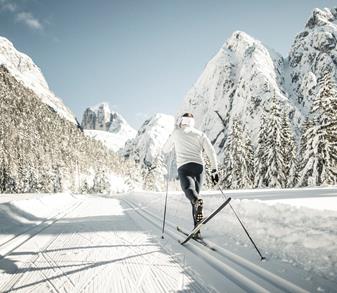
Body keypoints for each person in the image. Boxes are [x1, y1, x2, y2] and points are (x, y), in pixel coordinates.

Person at [163, 113, 219, 239]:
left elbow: (165, 149)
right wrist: (214, 170)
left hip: (184, 167)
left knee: (190, 191)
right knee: (196, 197)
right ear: (192, 122)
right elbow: (211, 151)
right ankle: (197, 229)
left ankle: (196, 206)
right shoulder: (200, 134)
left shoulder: (176, 132)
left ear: (182, 121)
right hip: (199, 167)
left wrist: (173, 138)